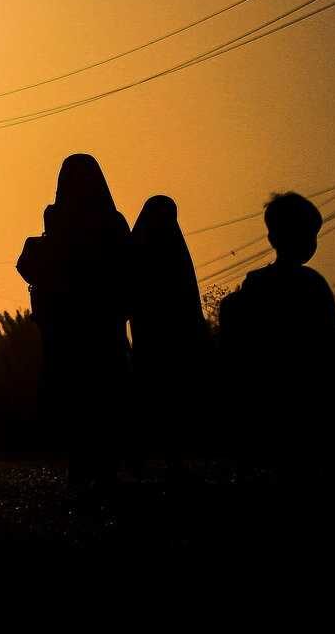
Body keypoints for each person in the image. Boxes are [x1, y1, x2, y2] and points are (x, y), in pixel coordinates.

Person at [17, 154, 131, 492]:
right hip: (102, 326)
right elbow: (128, 269)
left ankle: (80, 470)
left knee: (75, 398)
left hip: (65, 328)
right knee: (103, 398)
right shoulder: (112, 222)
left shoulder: (56, 220)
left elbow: (31, 267)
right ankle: (104, 471)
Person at [220, 192, 335, 481]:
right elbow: (329, 338)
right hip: (302, 390)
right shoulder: (313, 285)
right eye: (310, 236)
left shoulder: (255, 284)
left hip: (262, 390)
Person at [129, 196, 206, 482]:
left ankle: (141, 460)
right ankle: (171, 460)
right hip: (170, 340)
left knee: (148, 399)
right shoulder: (176, 253)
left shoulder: (136, 251)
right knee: (170, 399)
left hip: (150, 339)